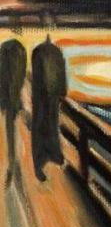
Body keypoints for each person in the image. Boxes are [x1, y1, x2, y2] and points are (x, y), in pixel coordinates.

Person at [31, 34, 67, 182]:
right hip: (52, 95)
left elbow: (35, 75)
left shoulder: (37, 51)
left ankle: (44, 158)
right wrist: (63, 92)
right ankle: (51, 155)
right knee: (51, 123)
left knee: (42, 126)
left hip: (41, 96)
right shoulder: (57, 52)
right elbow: (62, 73)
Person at [0, 38, 27, 185]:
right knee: (11, 130)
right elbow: (21, 77)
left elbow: (2, 76)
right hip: (14, 98)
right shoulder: (20, 51)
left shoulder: (4, 50)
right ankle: (12, 161)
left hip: (8, 98)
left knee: (10, 130)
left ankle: (11, 162)